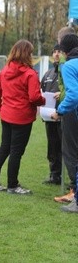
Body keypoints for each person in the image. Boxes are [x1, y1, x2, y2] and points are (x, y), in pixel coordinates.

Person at [0, 39, 45, 195]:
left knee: (5, 147)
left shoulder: (5, 70)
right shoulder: (30, 74)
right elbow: (34, 97)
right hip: (22, 117)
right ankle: (13, 185)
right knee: (16, 151)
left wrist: (0, 108)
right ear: (27, 54)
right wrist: (44, 100)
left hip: (7, 115)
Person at [51, 33, 78, 212]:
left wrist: (60, 111)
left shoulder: (69, 66)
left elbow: (74, 94)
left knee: (72, 156)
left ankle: (76, 199)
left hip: (73, 116)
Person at [40, 44, 62, 185]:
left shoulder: (67, 72)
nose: (56, 54)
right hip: (49, 117)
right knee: (52, 147)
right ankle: (54, 175)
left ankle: (69, 178)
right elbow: (40, 92)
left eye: (59, 51)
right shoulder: (48, 74)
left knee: (66, 148)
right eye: (54, 51)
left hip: (64, 116)